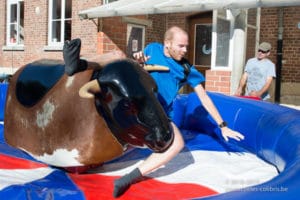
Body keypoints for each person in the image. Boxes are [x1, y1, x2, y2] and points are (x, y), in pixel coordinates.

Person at [63, 28, 244, 198]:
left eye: (186, 46)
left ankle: (128, 178)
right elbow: (135, 71)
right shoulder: (153, 49)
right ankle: (78, 64)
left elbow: (204, 97)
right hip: (136, 105)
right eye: (181, 46)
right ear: (167, 44)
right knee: (118, 56)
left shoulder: (187, 69)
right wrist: (138, 61)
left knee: (178, 142)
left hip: (159, 114)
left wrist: (223, 125)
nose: (185, 50)